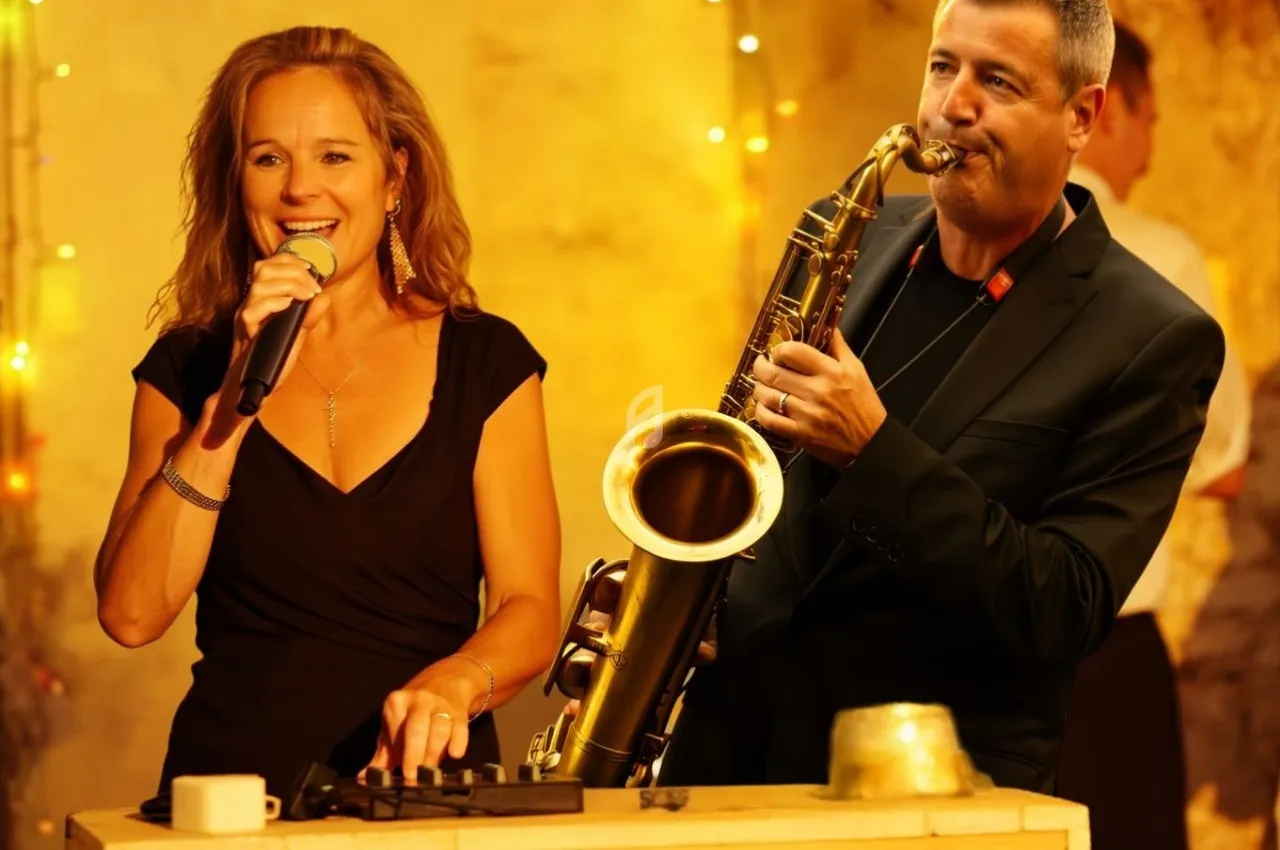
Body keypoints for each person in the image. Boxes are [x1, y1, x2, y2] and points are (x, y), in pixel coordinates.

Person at [636, 0, 1228, 795]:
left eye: (999, 81)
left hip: (921, 791)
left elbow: (1066, 606)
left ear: (1081, 115)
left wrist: (872, 452)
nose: (953, 104)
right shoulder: (845, 233)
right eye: (943, 66)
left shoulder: (1153, 335)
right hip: (723, 758)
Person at [93, 26, 562, 800]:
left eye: (335, 157)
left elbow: (530, 608)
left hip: (423, 801)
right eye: (268, 158)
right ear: (235, 181)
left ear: (395, 177)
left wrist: (454, 683)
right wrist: (229, 407)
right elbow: (132, 615)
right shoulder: (189, 367)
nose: (300, 190)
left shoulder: (487, 361)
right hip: (229, 806)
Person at [1052, 20, 1252, 850]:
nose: (1152, 149)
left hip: (970, 653)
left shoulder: (943, 249)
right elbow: (1224, 460)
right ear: (1107, 108)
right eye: (1152, 120)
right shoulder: (1160, 257)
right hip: (1106, 646)